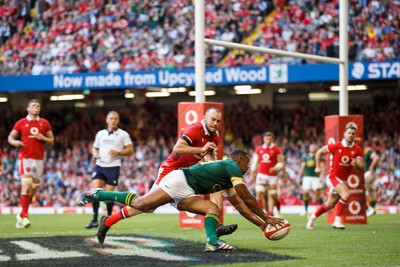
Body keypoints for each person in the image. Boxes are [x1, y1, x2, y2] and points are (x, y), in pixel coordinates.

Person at [76, 148, 285, 251]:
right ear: (238, 159)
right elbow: (247, 197)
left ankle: (212, 242)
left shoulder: (229, 178)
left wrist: (261, 224)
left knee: (212, 208)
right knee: (142, 204)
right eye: (246, 164)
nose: (248, 168)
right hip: (179, 180)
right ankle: (97, 194)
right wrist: (266, 217)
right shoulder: (231, 165)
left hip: (187, 190)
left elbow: (240, 206)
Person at [89, 107, 237, 236]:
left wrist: (213, 166)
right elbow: (177, 149)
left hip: (185, 175)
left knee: (216, 187)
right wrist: (201, 149)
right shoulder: (194, 129)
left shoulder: (215, 137)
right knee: (146, 206)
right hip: (170, 170)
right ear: (205, 118)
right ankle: (107, 220)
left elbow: (208, 157)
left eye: (218, 121)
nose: (215, 124)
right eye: (213, 120)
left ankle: (215, 230)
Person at [306, 124, 364, 230]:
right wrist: (317, 167)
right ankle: (337, 221)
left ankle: (312, 217)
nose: (351, 135)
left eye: (353, 134)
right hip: (333, 177)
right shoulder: (337, 146)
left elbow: (361, 167)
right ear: (344, 134)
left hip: (343, 180)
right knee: (346, 194)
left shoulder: (357, 150)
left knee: (330, 204)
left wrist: (357, 164)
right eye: (349, 133)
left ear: (355, 136)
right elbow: (319, 152)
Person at [8, 99, 54, 228]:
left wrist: (43, 138)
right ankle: (26, 217)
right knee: (26, 185)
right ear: (28, 109)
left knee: (33, 188)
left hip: (39, 159)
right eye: (33, 105)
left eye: (38, 106)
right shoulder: (21, 123)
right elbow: (10, 137)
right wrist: (15, 142)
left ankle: (21, 214)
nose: (36, 107)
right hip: (26, 158)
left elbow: (51, 140)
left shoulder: (44, 123)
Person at [85, 111, 134, 229]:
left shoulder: (123, 134)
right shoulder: (100, 134)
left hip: (113, 167)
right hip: (100, 165)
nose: (113, 120)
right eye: (111, 118)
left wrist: (118, 152)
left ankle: (108, 219)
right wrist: (95, 154)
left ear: (118, 121)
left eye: (115, 118)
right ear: (107, 120)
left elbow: (130, 150)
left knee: (108, 196)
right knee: (95, 192)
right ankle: (94, 219)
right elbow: (94, 148)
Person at [249, 131, 285, 216]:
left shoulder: (276, 149)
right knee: (260, 193)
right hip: (262, 174)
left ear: (272, 139)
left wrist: (276, 168)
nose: (268, 140)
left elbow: (281, 163)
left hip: (272, 176)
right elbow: (255, 163)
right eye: (266, 138)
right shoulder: (259, 149)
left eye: (270, 139)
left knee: (273, 194)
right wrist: (252, 175)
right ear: (263, 139)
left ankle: (276, 208)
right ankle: (265, 212)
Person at [297, 144, 325, 215]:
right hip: (307, 177)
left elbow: (322, 167)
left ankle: (322, 210)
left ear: (316, 148)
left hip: (316, 177)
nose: (313, 148)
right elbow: (303, 167)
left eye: (314, 147)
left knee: (318, 193)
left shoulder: (319, 156)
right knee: (305, 193)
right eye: (312, 147)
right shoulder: (306, 157)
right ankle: (305, 210)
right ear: (309, 148)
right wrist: (299, 176)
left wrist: (321, 176)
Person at [364, 145, 380, 216]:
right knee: (371, 190)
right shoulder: (366, 153)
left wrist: (371, 167)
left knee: (361, 189)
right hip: (373, 174)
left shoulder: (368, 152)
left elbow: (376, 158)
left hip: (369, 173)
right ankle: (374, 208)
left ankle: (369, 208)